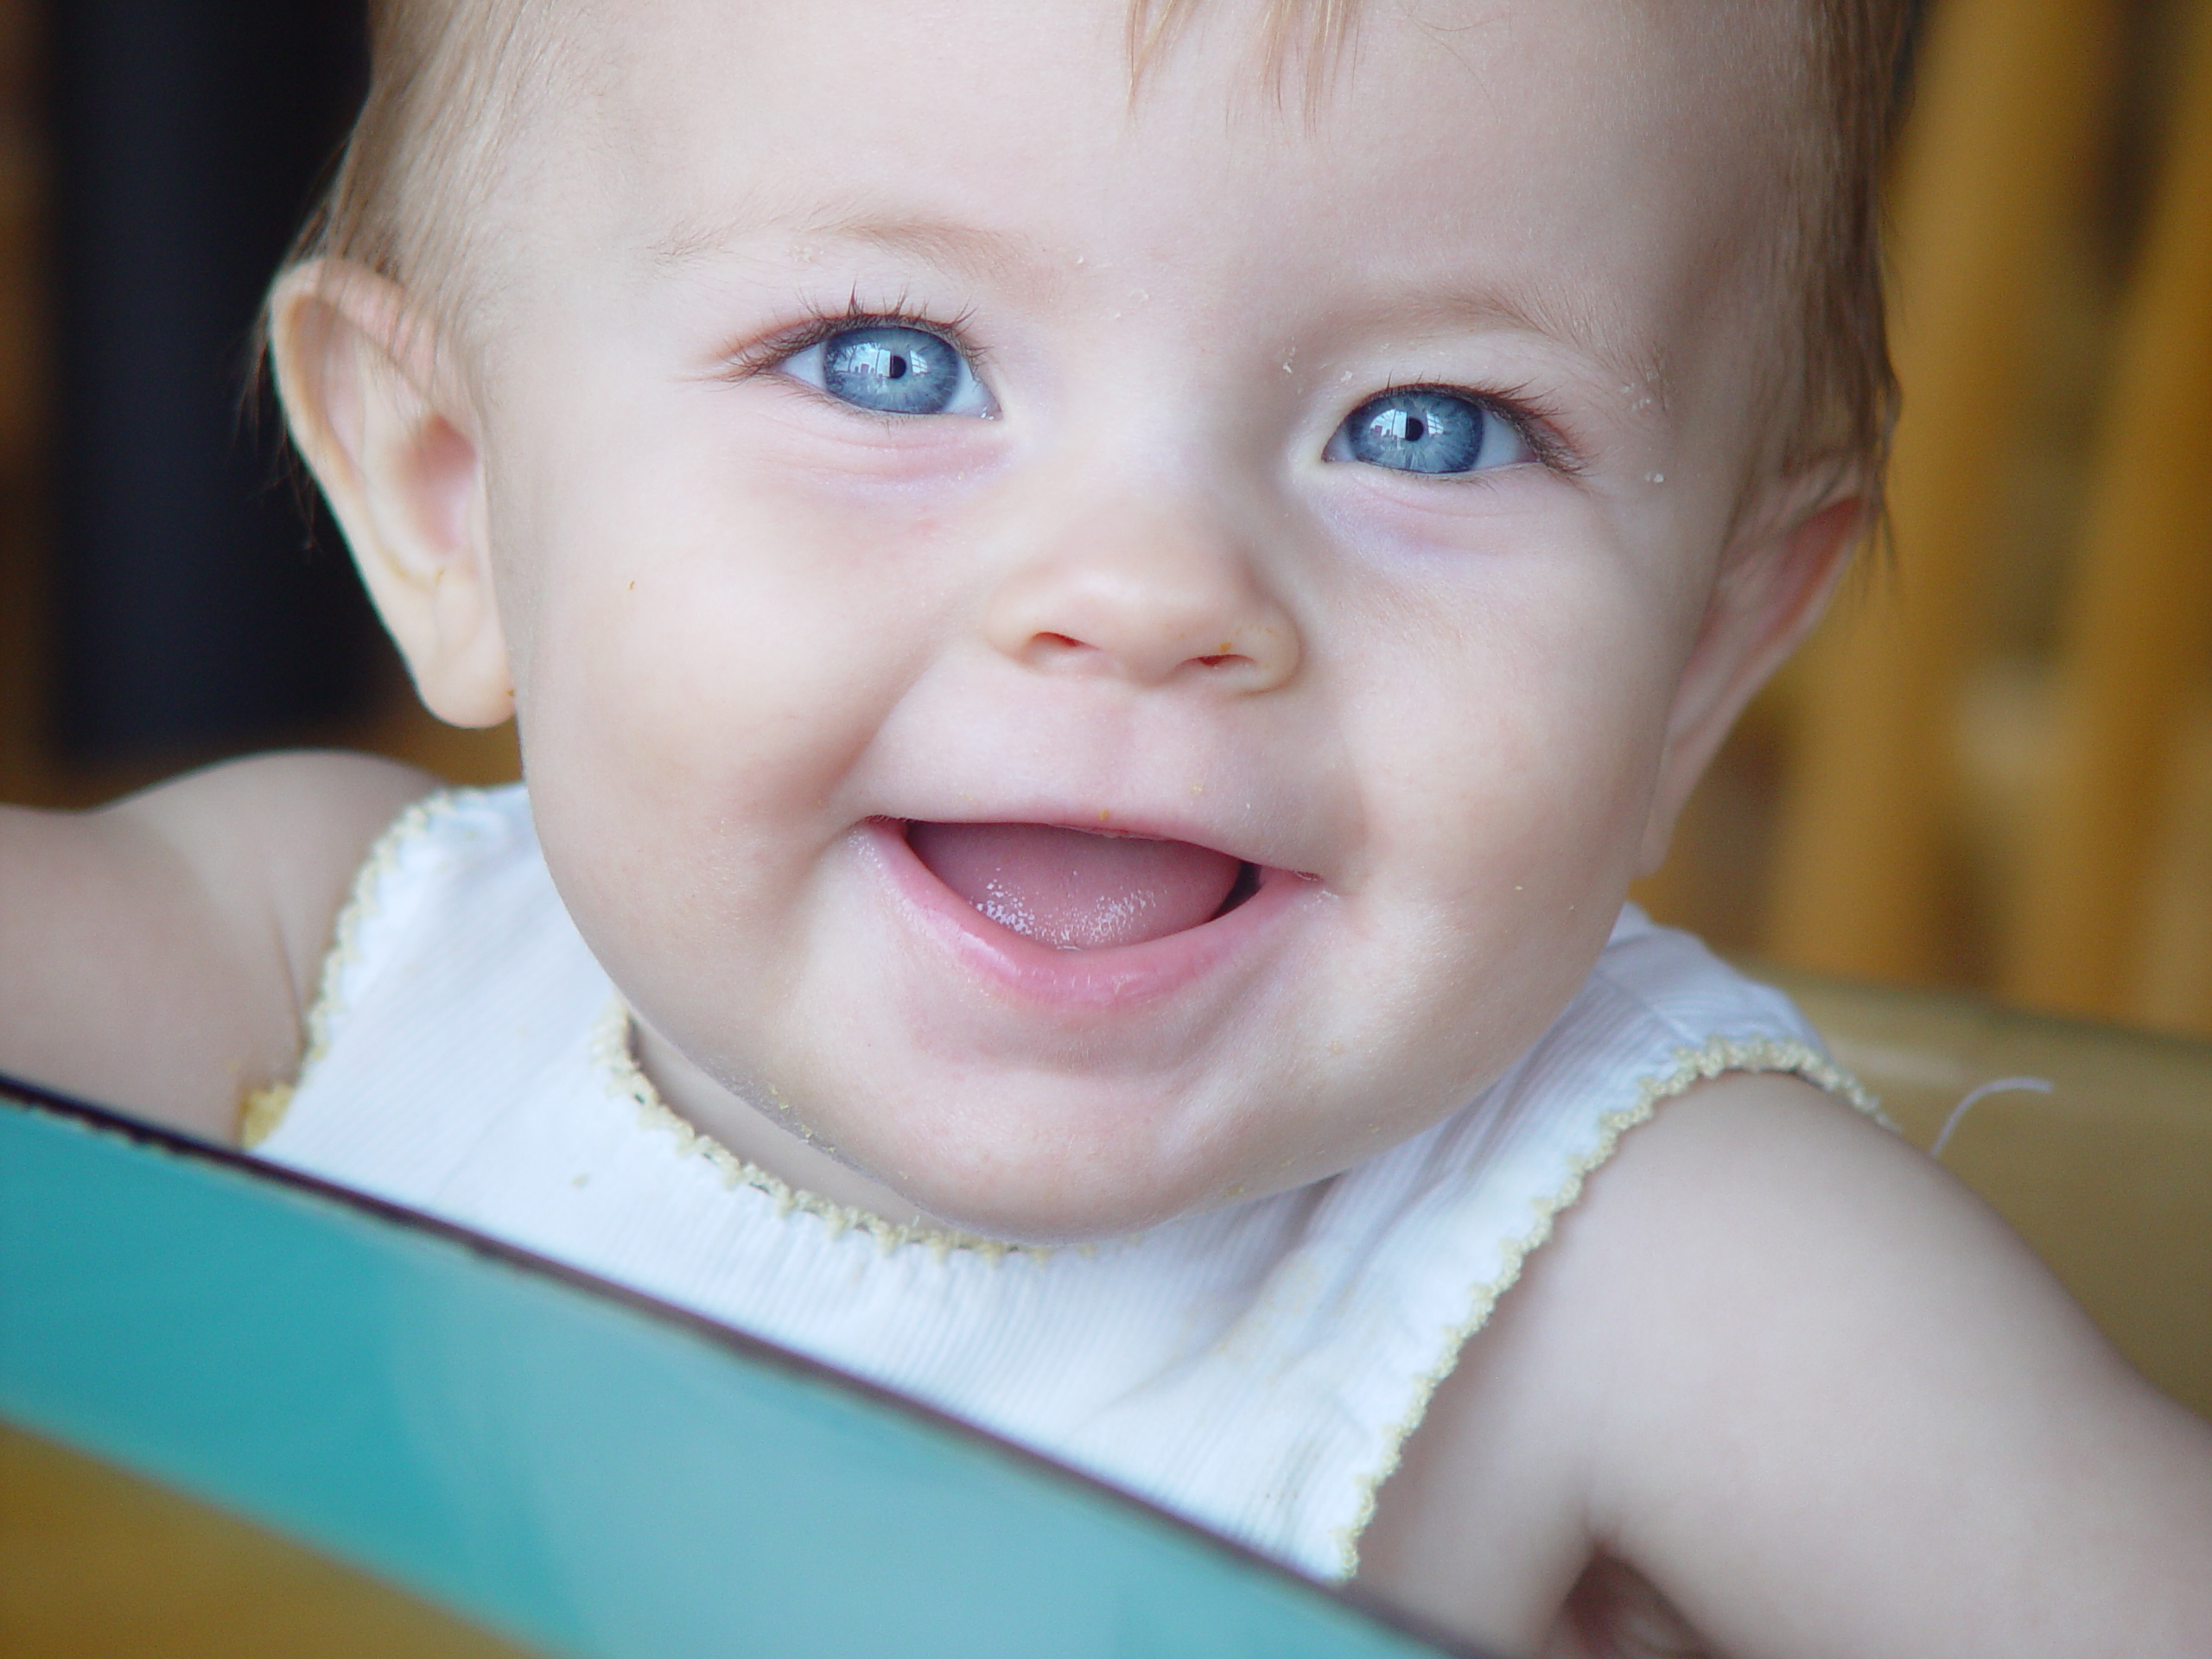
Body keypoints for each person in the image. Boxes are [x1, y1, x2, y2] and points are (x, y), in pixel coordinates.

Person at [6, 0, 2209, 1650]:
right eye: (891, 364)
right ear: (452, 501)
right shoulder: (319, 957)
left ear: (1703, 662)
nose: (1151, 595)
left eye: (1428, 428)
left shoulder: (1658, 1268)